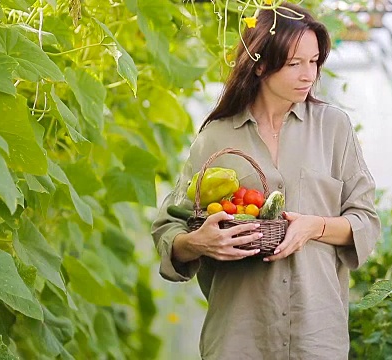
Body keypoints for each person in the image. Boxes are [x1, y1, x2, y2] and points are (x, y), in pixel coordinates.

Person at [151, 2, 380, 359]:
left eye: (314, 61)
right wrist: (199, 242)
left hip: (316, 337)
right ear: (259, 65)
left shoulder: (334, 128)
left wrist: (313, 227)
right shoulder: (215, 137)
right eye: (294, 64)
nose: (309, 74)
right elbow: (168, 229)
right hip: (238, 339)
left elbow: (365, 222)